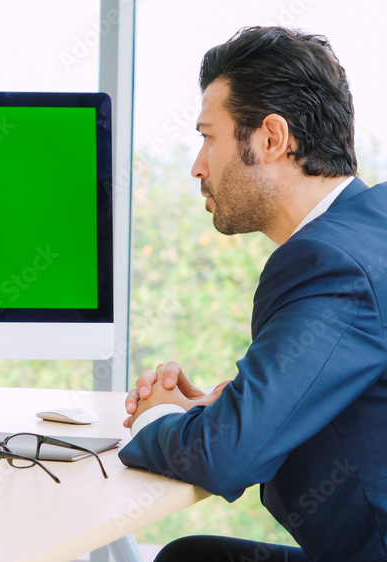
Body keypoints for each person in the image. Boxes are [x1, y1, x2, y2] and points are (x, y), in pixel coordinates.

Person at [120, 26, 387, 561]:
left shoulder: (328, 264)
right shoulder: (372, 224)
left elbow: (228, 458)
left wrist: (156, 420)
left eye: (209, 137)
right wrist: (219, 409)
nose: (197, 165)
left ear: (270, 138)